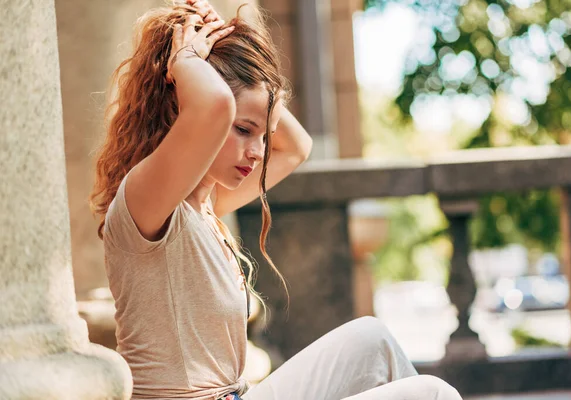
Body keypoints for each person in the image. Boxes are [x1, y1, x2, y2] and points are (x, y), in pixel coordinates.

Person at [90, 1, 463, 399]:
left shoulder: (207, 209)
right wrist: (181, 58)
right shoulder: (145, 203)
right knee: (431, 393)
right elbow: (214, 105)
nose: (258, 152)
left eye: (263, 135)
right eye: (243, 130)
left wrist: (241, 54)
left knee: (374, 340)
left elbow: (296, 146)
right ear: (181, 106)